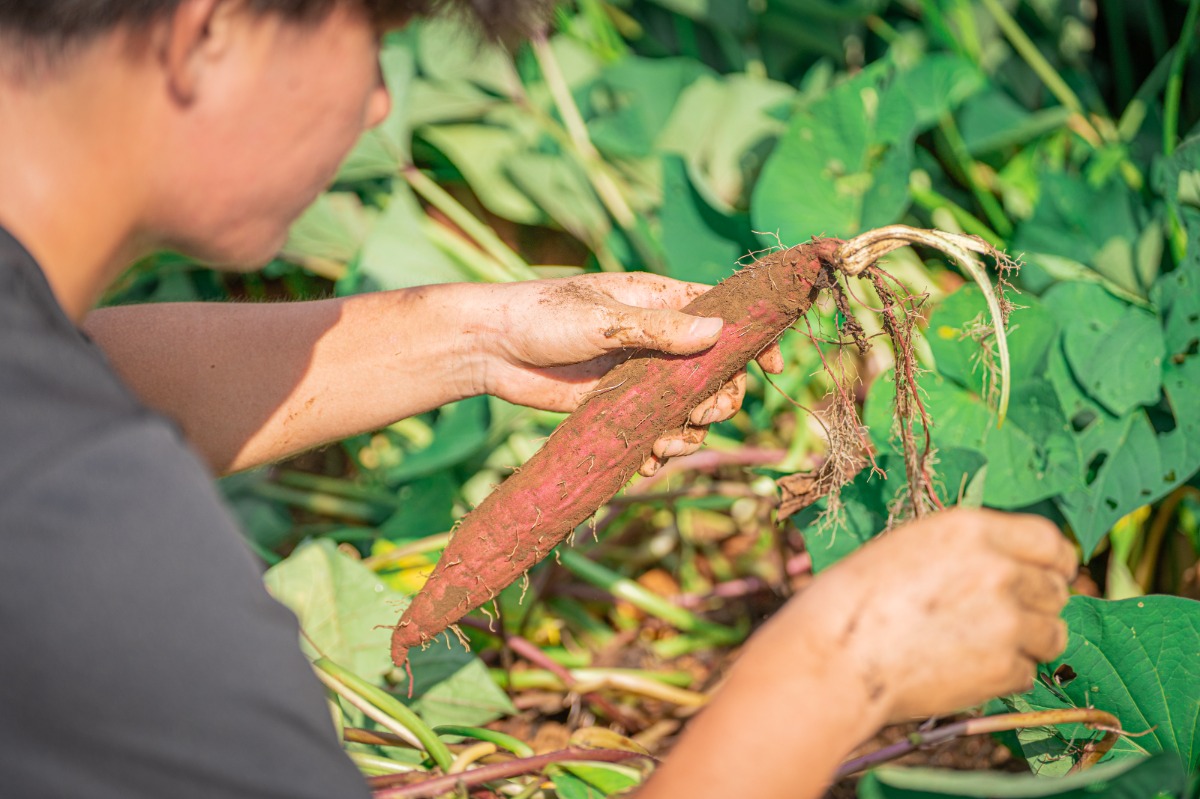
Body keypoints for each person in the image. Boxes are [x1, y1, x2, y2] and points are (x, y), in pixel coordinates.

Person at [0, 2, 1076, 798]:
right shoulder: (102, 555)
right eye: (370, 33)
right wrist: (840, 664)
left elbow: (61, 373)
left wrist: (479, 336)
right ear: (211, 31)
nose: (379, 100)